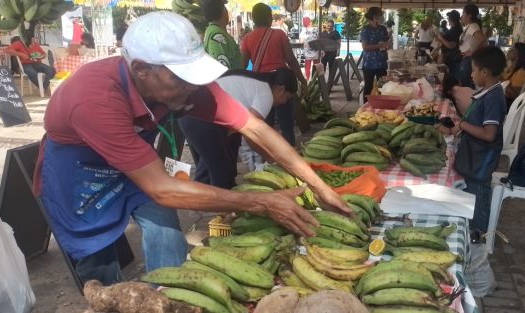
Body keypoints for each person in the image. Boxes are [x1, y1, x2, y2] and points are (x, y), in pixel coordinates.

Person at [34, 11, 351, 286]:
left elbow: (255, 128)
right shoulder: (95, 99)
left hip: (134, 165)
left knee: (165, 226)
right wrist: (260, 202)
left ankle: (168, 294)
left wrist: (318, 186)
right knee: (98, 263)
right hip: (80, 176)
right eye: (181, 78)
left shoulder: (183, 85)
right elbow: (161, 188)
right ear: (142, 69)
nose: (192, 87)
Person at [179, 68, 298, 186]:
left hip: (191, 114)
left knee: (216, 162)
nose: (283, 103)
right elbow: (251, 135)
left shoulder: (255, 82)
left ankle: (211, 196)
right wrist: (271, 159)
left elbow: (238, 130)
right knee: (221, 171)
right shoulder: (266, 94)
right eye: (286, 98)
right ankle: (220, 200)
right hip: (202, 119)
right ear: (281, 89)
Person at [449, 46, 507, 235]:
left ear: (485, 72)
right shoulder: (485, 93)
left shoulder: (494, 98)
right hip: (473, 156)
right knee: (470, 194)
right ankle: (471, 229)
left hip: (481, 161)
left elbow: (489, 134)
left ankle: (479, 235)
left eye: (473, 70)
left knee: (479, 196)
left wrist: (464, 126)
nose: (471, 74)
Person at [241, 3, 307, 147]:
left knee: (266, 127)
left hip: (260, 86)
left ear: (253, 19)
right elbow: (291, 60)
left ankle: (270, 161)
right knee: (286, 125)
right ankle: (291, 157)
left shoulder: (247, 38)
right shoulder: (279, 35)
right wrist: (302, 80)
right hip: (281, 85)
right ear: (270, 18)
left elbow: (242, 65)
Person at [360, 7, 390, 103]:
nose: (380, 17)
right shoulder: (366, 30)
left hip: (382, 62)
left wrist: (388, 45)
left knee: (383, 87)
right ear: (372, 17)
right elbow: (365, 47)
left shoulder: (383, 29)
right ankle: (366, 108)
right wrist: (380, 45)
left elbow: (387, 42)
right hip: (369, 64)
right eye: (378, 15)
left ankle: (381, 106)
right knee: (368, 86)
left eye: (380, 15)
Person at [202, 0, 243, 70]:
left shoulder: (213, 30)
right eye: (224, 7)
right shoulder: (217, 35)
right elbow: (221, 68)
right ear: (222, 12)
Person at [457, 4, 486, 88]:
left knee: (466, 84)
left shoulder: (473, 26)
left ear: (469, 15)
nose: (461, 16)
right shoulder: (470, 26)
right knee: (465, 83)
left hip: (468, 60)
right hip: (466, 59)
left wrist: (472, 51)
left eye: (463, 13)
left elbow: (482, 39)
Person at [502, 42, 525, 110]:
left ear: (518, 54)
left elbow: (515, 96)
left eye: (512, 49)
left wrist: (500, 79)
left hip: (509, 106)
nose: (509, 50)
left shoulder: (521, 73)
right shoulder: (509, 69)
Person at [436, 10, 464, 77]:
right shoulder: (453, 28)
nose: (448, 19)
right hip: (449, 58)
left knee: (451, 77)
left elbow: (451, 46)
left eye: (449, 17)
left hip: (452, 59)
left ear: (451, 19)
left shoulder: (456, 29)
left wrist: (441, 38)